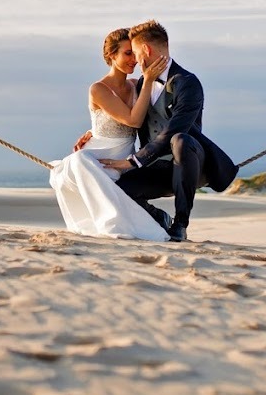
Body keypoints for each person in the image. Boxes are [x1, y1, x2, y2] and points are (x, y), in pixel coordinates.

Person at [94, 19, 238, 242]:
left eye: (135, 53)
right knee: (118, 189)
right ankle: (160, 217)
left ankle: (181, 223)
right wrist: (93, 132)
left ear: (146, 50)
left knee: (180, 139)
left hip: (191, 165)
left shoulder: (188, 83)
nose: (134, 59)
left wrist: (134, 161)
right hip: (158, 168)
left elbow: (173, 130)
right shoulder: (142, 84)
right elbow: (122, 117)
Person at [49, 28, 172, 241]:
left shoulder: (136, 85)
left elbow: (150, 118)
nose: (133, 59)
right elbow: (132, 119)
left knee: (118, 182)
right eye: (127, 53)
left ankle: (155, 218)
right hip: (97, 153)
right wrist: (149, 80)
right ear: (111, 55)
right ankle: (120, 222)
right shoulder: (98, 88)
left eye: (134, 53)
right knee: (80, 161)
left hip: (124, 156)